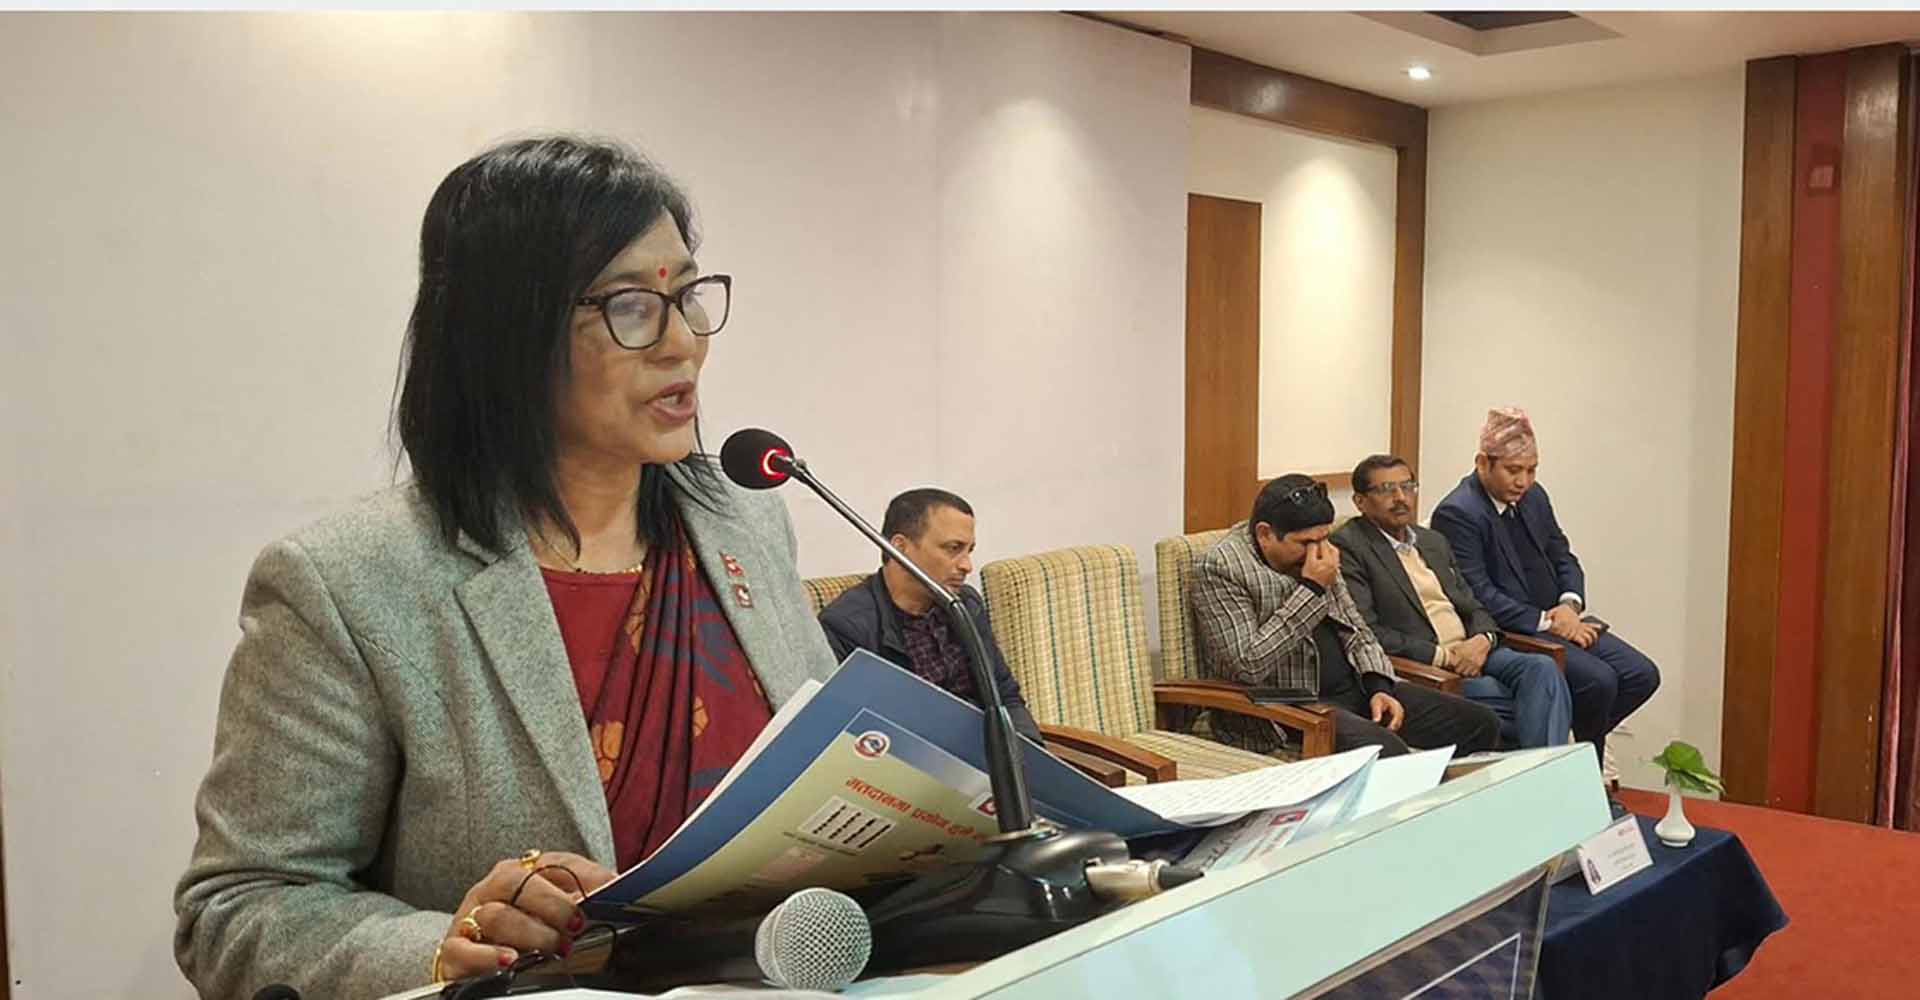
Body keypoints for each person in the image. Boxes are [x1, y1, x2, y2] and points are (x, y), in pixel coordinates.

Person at [173, 136, 841, 1000]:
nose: (683, 344)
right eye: (632, 306)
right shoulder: (345, 584)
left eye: (687, 296)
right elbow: (236, 909)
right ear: (506, 333)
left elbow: (818, 778)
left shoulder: (744, 516)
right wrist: (442, 950)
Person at [1188, 474, 1501, 758]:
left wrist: (1379, 685)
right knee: (1386, 750)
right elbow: (1248, 665)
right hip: (1288, 703)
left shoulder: (1323, 552)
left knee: (1478, 723)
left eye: (1323, 538)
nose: (1318, 552)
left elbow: (1358, 630)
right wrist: (1312, 589)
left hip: (1356, 687)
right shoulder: (1221, 568)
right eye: (1305, 543)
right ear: (1265, 534)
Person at [1431, 407, 1660, 766]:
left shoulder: (1534, 497)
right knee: (1599, 681)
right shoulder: (1459, 512)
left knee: (1640, 674)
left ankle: (1575, 754)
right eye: (1513, 470)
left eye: (1532, 470)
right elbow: (1477, 593)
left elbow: (1563, 556)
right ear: (1482, 463)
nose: (1523, 481)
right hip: (1514, 629)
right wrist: (1549, 621)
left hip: (1560, 620)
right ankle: (1581, 767)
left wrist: (1570, 604)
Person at [1331, 455, 1572, 749]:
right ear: (1360, 501)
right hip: (1430, 666)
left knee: (1542, 669)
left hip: (1475, 650)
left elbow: (1472, 603)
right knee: (1541, 702)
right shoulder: (1349, 547)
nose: (1400, 498)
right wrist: (1445, 657)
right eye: (1386, 490)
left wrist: (1483, 638)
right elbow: (1369, 630)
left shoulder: (1432, 540)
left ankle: (1538, 770)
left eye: (1407, 487)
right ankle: (1546, 773)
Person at [817, 488, 1044, 743]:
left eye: (969, 550)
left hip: (983, 753)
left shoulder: (966, 604)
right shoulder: (847, 625)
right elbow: (852, 731)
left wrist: (1030, 757)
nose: (967, 566)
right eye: (953, 548)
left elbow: (1005, 695)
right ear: (900, 547)